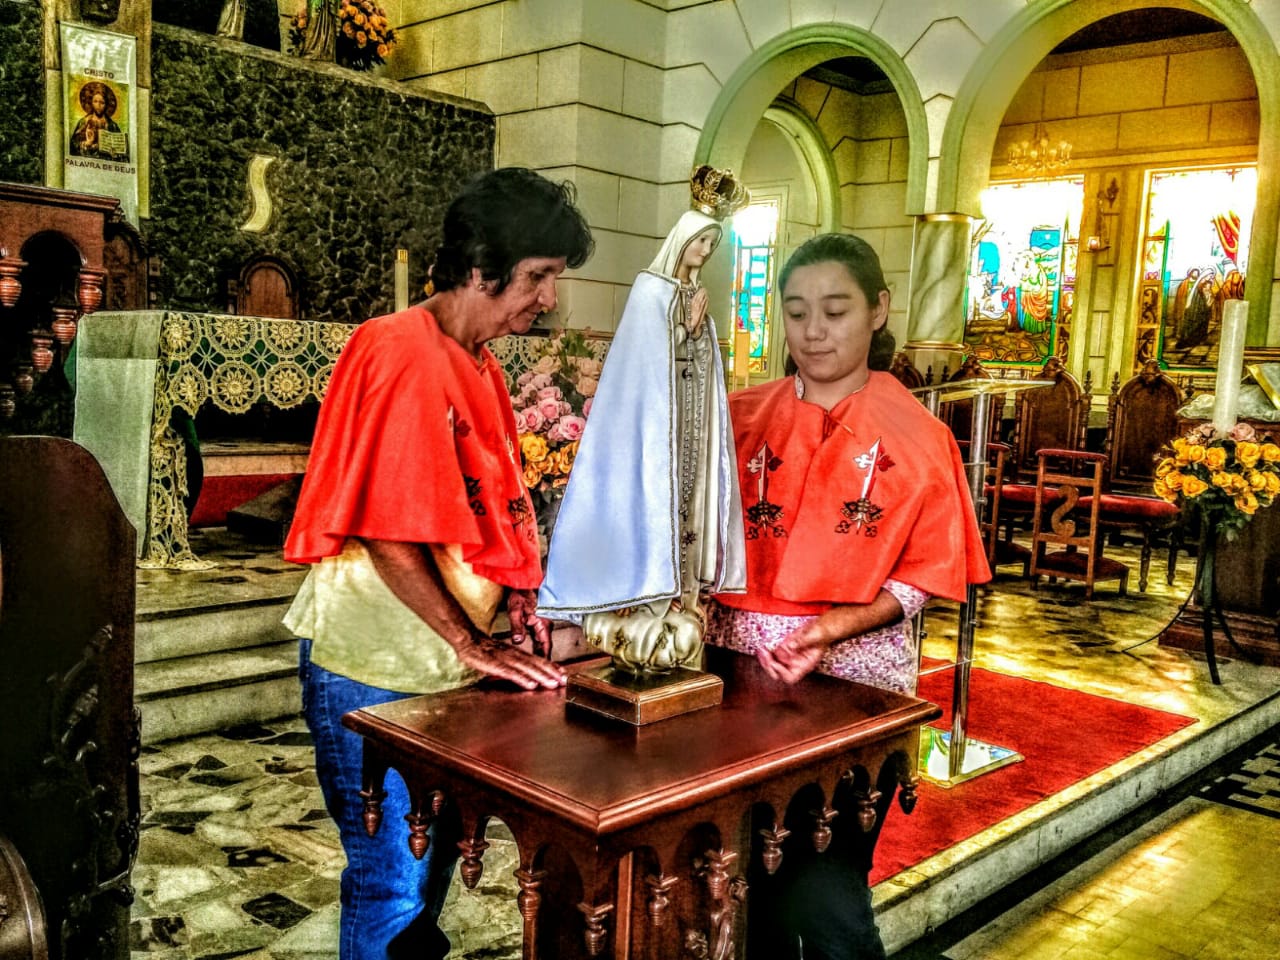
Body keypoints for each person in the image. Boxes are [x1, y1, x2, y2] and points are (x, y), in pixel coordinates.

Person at [282, 167, 593, 960]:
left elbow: (478, 507)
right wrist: (470, 641)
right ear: (483, 267)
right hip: (375, 663)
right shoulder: (397, 348)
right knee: (390, 884)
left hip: (437, 666)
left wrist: (514, 598)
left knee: (427, 875)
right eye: (539, 276)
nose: (548, 298)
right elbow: (386, 527)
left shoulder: (477, 360)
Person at [706, 233, 991, 960]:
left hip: (849, 691)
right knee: (753, 896)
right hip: (735, 684)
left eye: (835, 311)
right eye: (796, 311)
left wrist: (832, 629)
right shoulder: (738, 415)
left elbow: (924, 575)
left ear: (878, 309)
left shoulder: (920, 435)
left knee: (828, 899)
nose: (813, 331)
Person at [537, 165, 747, 671]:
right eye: (700, 242)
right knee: (652, 507)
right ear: (683, 240)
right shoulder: (651, 289)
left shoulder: (696, 295)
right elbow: (643, 362)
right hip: (657, 433)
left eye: (712, 245)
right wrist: (684, 329)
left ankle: (682, 599)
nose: (705, 252)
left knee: (690, 514)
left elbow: (702, 362)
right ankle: (645, 599)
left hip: (690, 425)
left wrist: (698, 333)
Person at [70, 82, 123, 160]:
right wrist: (87, 143)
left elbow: (120, 151)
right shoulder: (84, 122)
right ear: (91, 103)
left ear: (106, 105)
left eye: (102, 102)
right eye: (95, 101)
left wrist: (114, 152)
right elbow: (73, 145)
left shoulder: (112, 125)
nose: (98, 105)